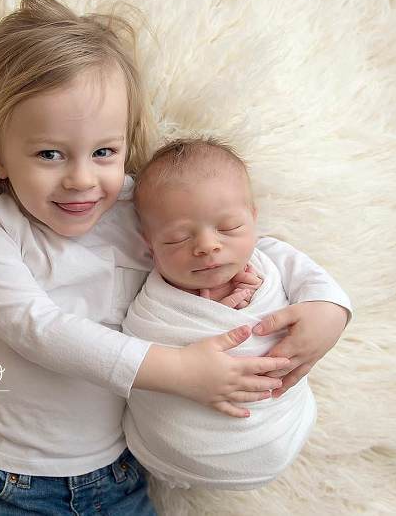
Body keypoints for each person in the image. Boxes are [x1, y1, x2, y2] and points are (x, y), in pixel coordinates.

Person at [0, 0, 352, 516]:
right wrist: (179, 372)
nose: (81, 179)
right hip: (16, 479)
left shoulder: (134, 207)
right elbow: (37, 329)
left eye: (104, 152)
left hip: (121, 469)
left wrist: (329, 306)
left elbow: (245, 239)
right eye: (49, 154)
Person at [123, 136, 343, 490]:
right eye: (178, 238)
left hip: (278, 427)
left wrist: (330, 316)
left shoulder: (272, 259)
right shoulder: (155, 304)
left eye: (228, 228)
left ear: (254, 219)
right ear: (149, 245)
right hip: (177, 448)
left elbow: (325, 291)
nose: (207, 246)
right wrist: (204, 330)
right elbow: (133, 357)